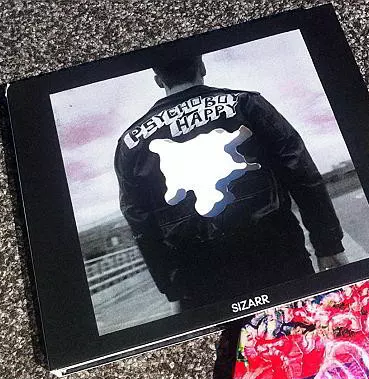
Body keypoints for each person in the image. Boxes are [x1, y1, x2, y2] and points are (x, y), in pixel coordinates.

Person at [114, 55, 348, 311]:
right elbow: (302, 173)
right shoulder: (247, 104)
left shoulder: (130, 143)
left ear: (159, 81)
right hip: (278, 256)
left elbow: (140, 222)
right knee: (296, 330)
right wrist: (328, 245)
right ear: (202, 67)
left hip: (201, 279)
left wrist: (173, 290)